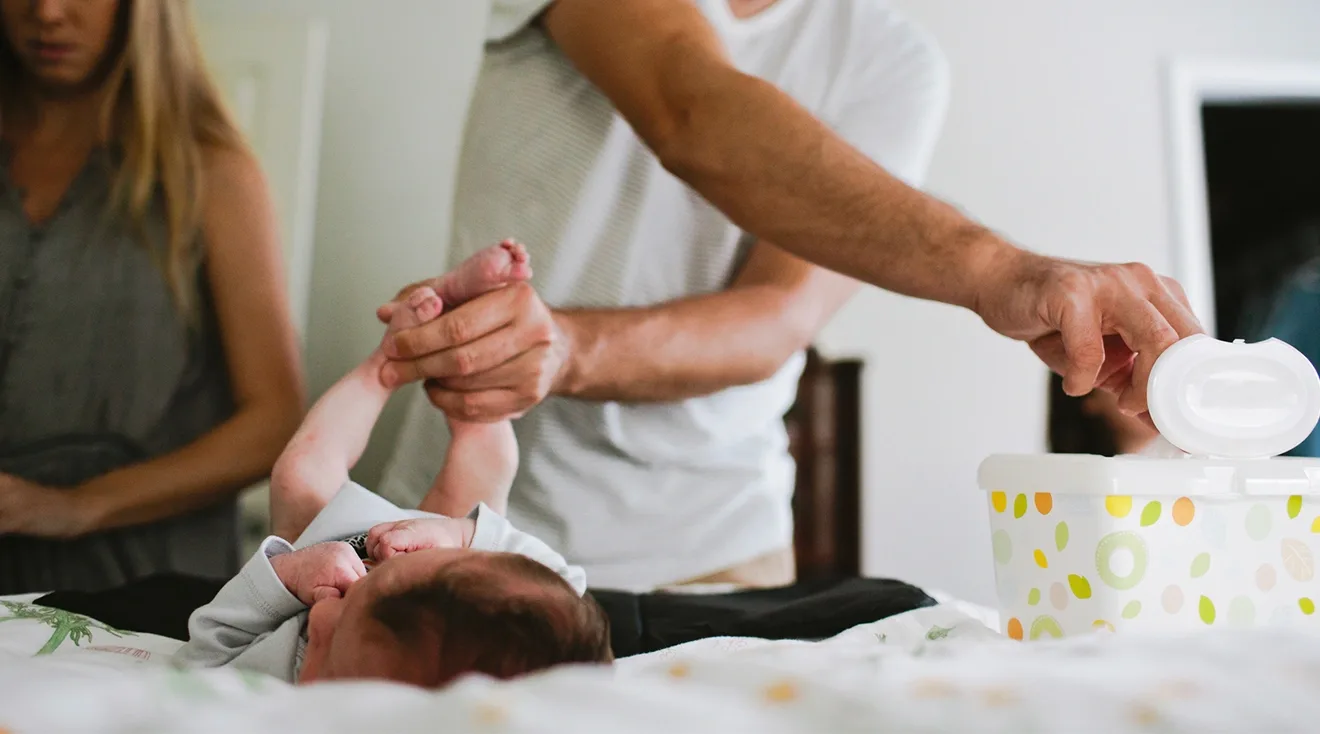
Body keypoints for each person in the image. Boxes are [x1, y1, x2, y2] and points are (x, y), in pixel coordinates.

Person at [375, 0, 1203, 591]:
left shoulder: (890, 58)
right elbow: (691, 107)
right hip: (456, 526)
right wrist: (1000, 273)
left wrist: (566, 347)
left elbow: (777, 317)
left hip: (712, 559)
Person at [0, 0, 304, 593]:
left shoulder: (212, 173)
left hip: (142, 584)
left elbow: (274, 421)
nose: (48, 13)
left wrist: (73, 505)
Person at [173, 481, 610, 687]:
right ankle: (479, 419)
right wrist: (457, 536)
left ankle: (379, 380)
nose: (321, 612)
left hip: (309, 546)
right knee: (476, 474)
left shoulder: (268, 696)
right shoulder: (549, 611)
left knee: (300, 475)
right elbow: (554, 579)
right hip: (400, 532)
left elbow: (200, 660)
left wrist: (285, 577)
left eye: (325, 644)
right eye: (353, 595)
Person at [271, 240, 532, 539]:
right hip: (438, 574)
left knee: (301, 475)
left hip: (323, 567)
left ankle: (388, 366)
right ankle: (474, 320)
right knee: (476, 474)